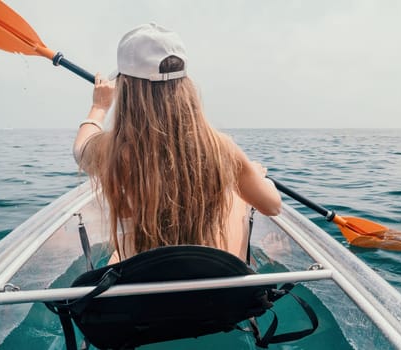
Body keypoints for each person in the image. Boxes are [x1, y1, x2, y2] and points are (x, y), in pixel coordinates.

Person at [73, 23, 281, 264]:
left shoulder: (114, 151)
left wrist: (99, 107)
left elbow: (80, 149)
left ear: (126, 87)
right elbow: (273, 206)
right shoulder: (220, 148)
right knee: (238, 200)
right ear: (185, 86)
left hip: (141, 285)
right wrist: (254, 174)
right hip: (206, 288)